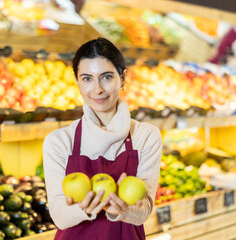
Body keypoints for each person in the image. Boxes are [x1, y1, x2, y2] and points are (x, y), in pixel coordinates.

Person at [43, 37, 162, 240]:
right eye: (87, 78)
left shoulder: (146, 136)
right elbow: (59, 217)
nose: (97, 89)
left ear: (123, 78)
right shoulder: (59, 141)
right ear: (77, 81)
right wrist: (85, 208)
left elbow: (144, 212)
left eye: (106, 77)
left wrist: (123, 210)